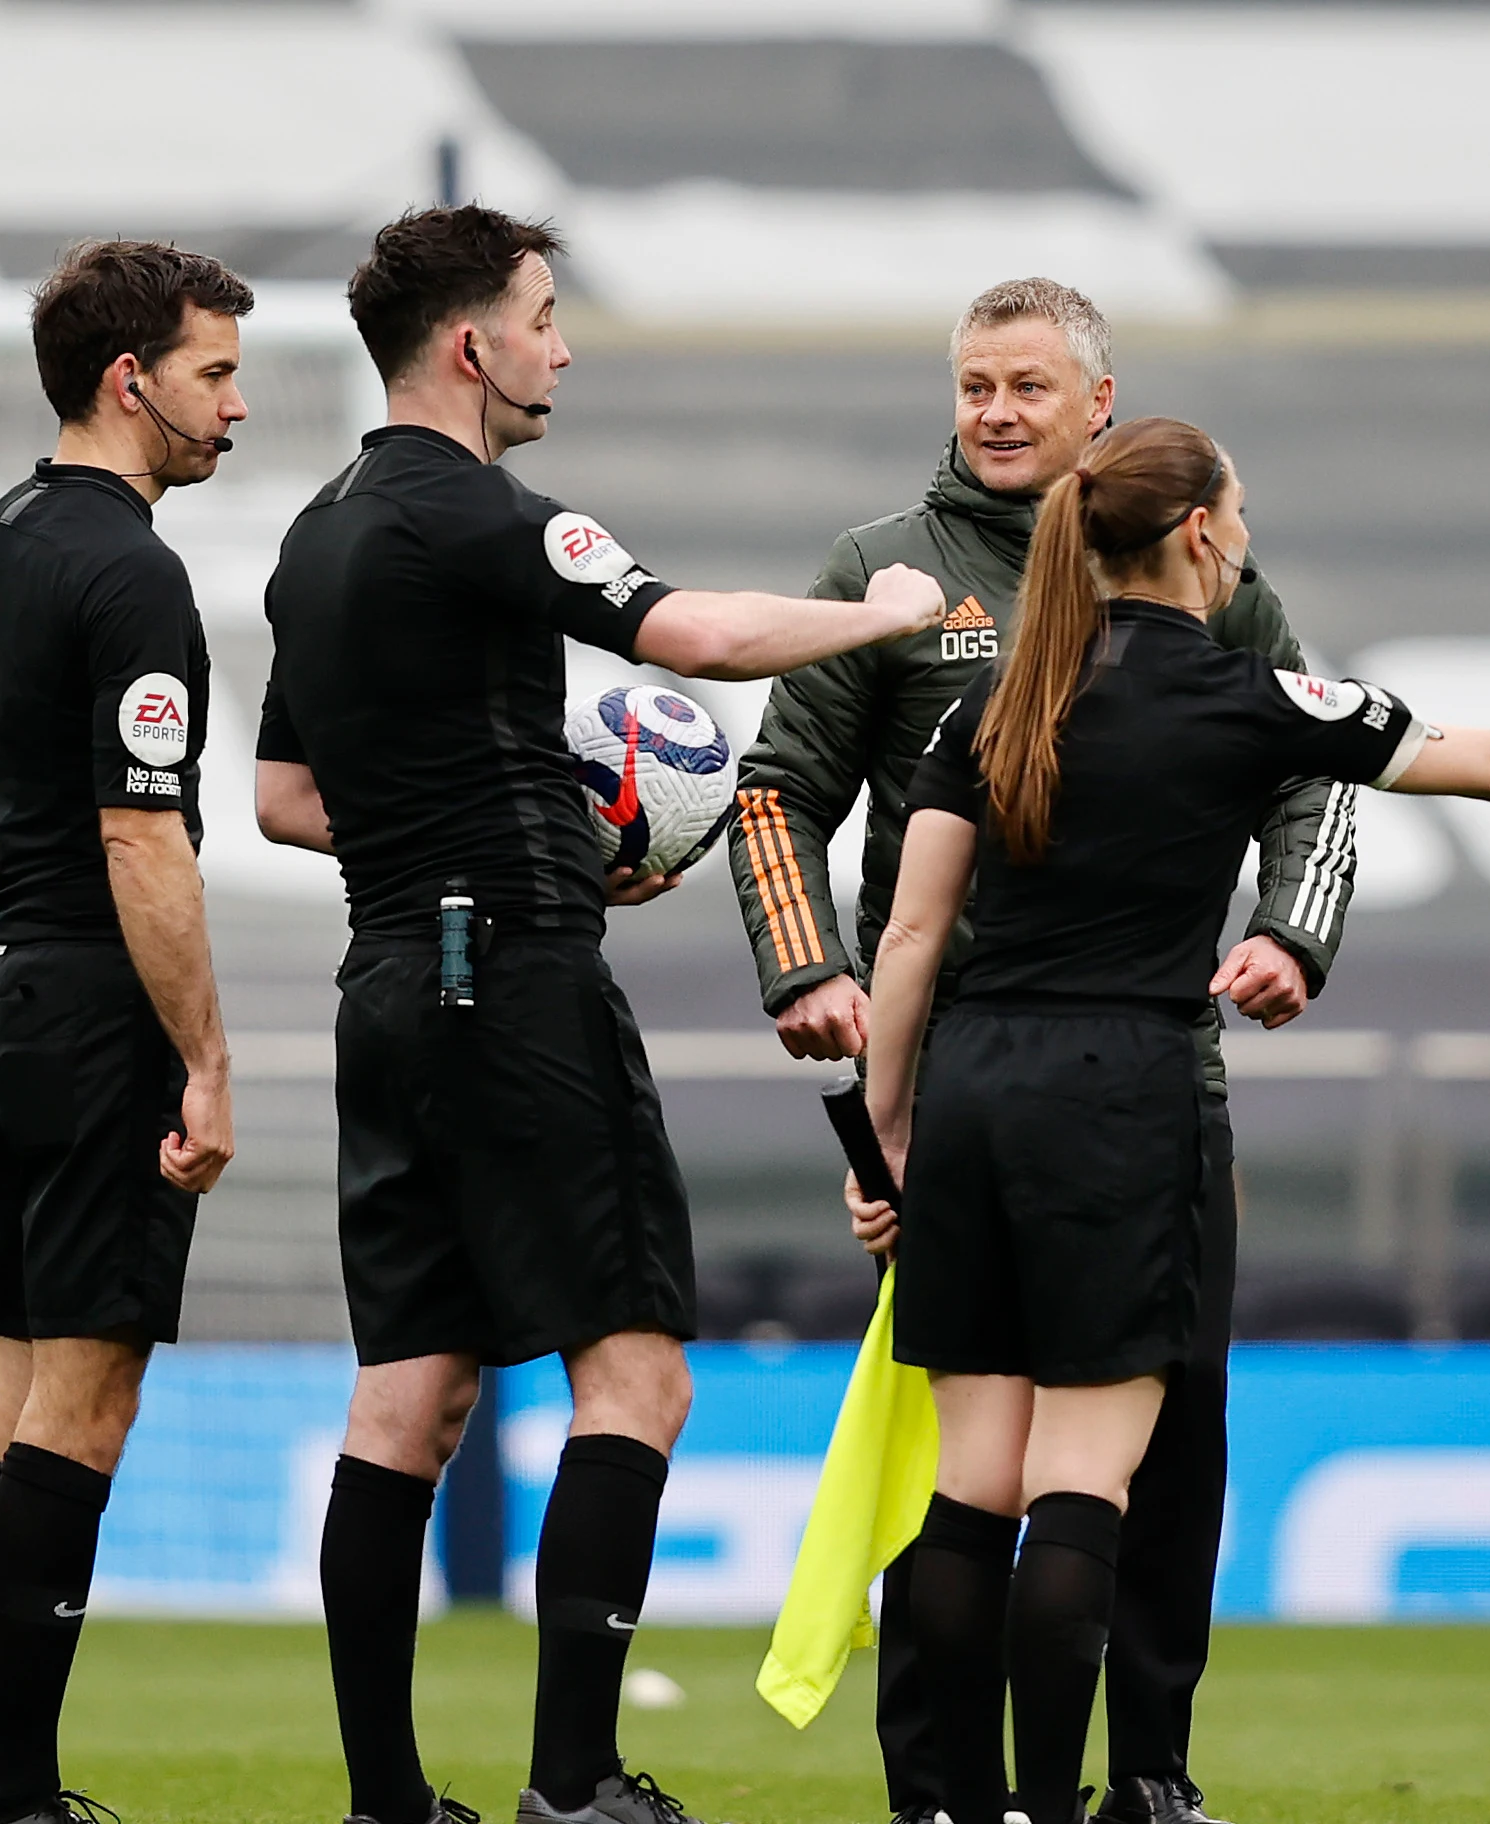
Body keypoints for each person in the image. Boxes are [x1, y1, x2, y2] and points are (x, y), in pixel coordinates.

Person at [855, 416, 1490, 1824]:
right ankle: (1053, 1801)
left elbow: (910, 936)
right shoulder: (1247, 699)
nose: (1247, 536)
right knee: (1085, 1478)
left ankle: (964, 1808)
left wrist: (888, 1134)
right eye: (1243, 515)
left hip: (974, 1083)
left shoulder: (995, 710)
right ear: (1203, 531)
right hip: (1121, 1088)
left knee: (974, 1483)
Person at [250, 206, 944, 1824]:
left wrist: (473, 817)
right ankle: (575, 1783)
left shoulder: (316, 530)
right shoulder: (476, 510)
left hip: (389, 982)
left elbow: (285, 799)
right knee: (634, 1378)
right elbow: (693, 636)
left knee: (406, 1393)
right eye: (544, 316)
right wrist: (887, 613)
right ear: (469, 344)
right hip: (514, 971)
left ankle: (386, 1801)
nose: (560, 346)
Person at [731, 278, 1347, 1824]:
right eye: (971, 385)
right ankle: (939, 1788)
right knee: (961, 1463)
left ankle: (1145, 1774)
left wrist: (1292, 932)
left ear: (1097, 402)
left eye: (1024, 386)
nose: (993, 412)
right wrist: (805, 965)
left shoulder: (1208, 573)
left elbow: (1319, 784)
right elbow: (771, 793)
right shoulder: (882, 574)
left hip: (1156, 1082)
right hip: (958, 1095)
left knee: (1165, 1445)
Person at [0, 239, 252, 1824]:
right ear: (132, 381)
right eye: (216, 373)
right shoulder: (132, 571)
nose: (233, 406)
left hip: (16, 998)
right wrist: (205, 1057)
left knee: (15, 1396)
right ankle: (17, 1799)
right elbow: (141, 841)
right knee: (82, 1408)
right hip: (104, 1009)